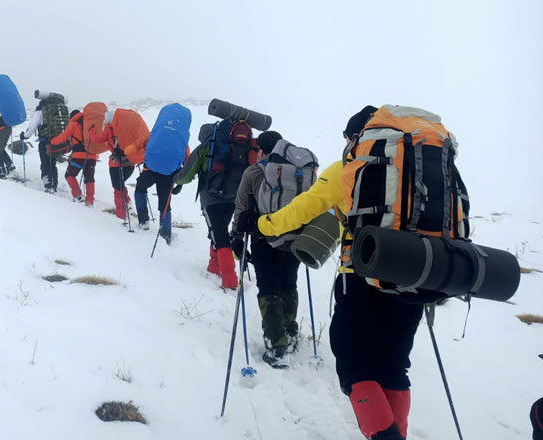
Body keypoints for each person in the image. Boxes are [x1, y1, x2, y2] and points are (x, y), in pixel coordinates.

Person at [256, 106, 444, 439]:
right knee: (394, 366)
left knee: (353, 362)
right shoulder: (423, 168)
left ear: (356, 137)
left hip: (362, 277)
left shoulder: (349, 166)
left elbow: (303, 209)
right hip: (419, 274)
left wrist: (264, 223)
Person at [228, 130, 302, 368]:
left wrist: (236, 237)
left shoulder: (254, 171)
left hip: (264, 238)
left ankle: (276, 345)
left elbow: (241, 207)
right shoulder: (297, 172)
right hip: (294, 237)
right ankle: (291, 332)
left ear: (261, 149)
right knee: (289, 283)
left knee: (268, 289)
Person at [175, 121, 259, 290]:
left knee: (219, 235)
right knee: (217, 231)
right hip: (235, 199)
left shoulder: (206, 147)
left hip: (211, 199)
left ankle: (230, 281)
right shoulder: (240, 147)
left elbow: (185, 176)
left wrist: (174, 179)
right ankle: (214, 266)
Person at [88, 109, 150, 221]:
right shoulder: (124, 131)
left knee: (117, 189)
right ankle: (128, 202)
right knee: (121, 185)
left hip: (116, 164)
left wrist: (91, 131)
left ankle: (120, 216)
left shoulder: (109, 129)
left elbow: (97, 140)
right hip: (130, 162)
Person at [51, 109, 97, 206]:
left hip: (78, 157)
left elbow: (63, 137)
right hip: (92, 156)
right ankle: (90, 201)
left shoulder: (74, 124)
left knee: (69, 175)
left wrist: (52, 142)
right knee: (89, 179)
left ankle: (77, 195)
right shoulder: (92, 124)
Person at [21, 99, 59, 193]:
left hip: (44, 141)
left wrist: (25, 136)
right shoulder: (56, 111)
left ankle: (48, 184)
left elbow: (33, 126)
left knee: (45, 162)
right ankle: (54, 184)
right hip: (56, 141)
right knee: (52, 162)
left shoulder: (39, 112)